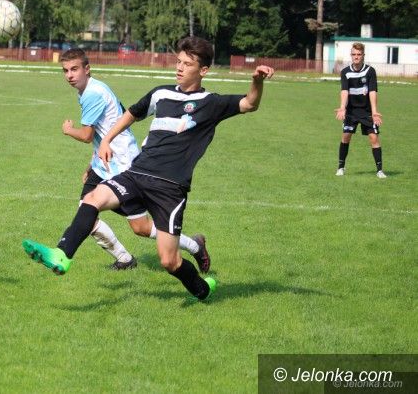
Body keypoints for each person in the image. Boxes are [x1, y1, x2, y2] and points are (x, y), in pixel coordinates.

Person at [23, 36, 274, 302]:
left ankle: (202, 288)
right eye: (178, 61)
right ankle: (62, 254)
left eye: (187, 64)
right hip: (137, 173)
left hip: (170, 188)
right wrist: (106, 140)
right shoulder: (161, 93)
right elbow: (132, 113)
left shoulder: (211, 103)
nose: (179, 67)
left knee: (169, 261)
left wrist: (256, 80)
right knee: (92, 198)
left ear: (203, 70)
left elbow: (250, 103)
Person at [59, 48, 210, 272]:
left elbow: (87, 135)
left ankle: (194, 245)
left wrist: (68, 130)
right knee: (86, 212)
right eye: (65, 71)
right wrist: (92, 164)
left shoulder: (93, 93)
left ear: (87, 69)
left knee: (140, 227)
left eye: (74, 69)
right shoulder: (89, 89)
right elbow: (102, 131)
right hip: (105, 163)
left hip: (122, 164)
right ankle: (124, 258)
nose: (70, 75)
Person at [334, 42, 386, 178]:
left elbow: (372, 92)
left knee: (374, 138)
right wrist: (342, 107)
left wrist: (374, 112)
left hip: (366, 111)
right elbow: (344, 91)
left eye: (359, 54)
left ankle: (380, 170)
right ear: (351, 55)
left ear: (363, 55)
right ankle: (341, 167)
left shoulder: (370, 71)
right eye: (354, 54)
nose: (356, 57)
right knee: (346, 136)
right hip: (351, 111)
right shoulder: (345, 72)